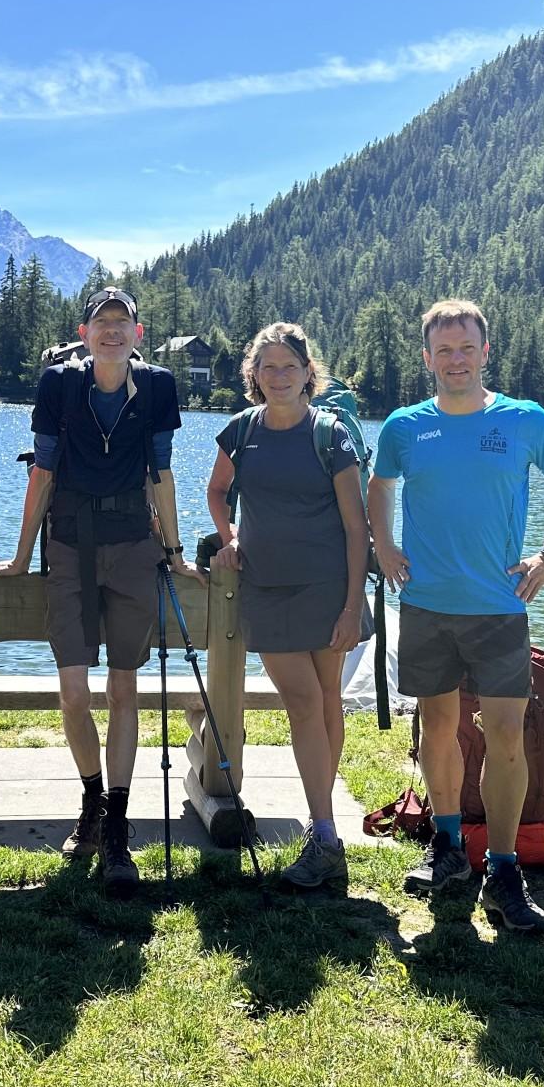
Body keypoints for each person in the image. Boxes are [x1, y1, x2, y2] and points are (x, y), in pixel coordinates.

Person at [367, 299, 544, 933]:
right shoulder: (406, 428)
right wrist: (384, 545)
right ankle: (445, 850)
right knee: (437, 726)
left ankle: (502, 868)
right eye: (444, 350)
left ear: (485, 352)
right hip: (427, 603)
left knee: (506, 736)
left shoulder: (524, 420)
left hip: (498, 607)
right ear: (427, 357)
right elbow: (379, 487)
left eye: (466, 348)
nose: (456, 360)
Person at [0, 285, 194, 899]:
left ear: (138, 332)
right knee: (74, 693)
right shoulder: (58, 387)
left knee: (123, 687)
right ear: (83, 332)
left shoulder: (155, 387)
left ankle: (119, 826)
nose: (111, 330)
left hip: (133, 546)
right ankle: (92, 799)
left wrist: (176, 552)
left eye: (122, 322)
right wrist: (24, 554)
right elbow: (43, 470)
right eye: (100, 322)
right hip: (70, 545)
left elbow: (161, 472)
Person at [205, 322, 370, 891]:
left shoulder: (331, 436)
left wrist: (352, 607)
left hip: (327, 588)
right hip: (268, 590)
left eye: (289, 367)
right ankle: (325, 830)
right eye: (267, 367)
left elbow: (357, 528)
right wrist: (227, 537)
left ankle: (322, 829)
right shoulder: (240, 431)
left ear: (308, 374)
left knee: (326, 700)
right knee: (304, 701)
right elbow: (216, 491)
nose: (278, 377)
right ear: (254, 375)